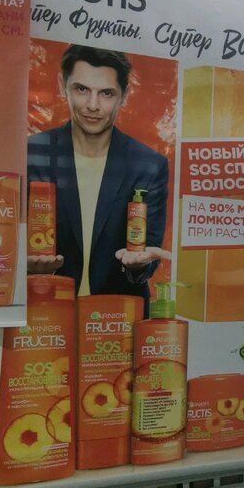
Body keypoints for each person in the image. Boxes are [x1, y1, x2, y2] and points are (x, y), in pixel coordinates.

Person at [26, 43, 169, 304]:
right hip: (47, 309)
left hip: (118, 314)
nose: (93, 105)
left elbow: (147, 256)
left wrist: (139, 264)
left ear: (124, 95)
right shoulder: (30, 153)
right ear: (62, 85)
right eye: (81, 89)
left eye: (106, 93)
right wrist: (28, 266)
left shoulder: (149, 165)